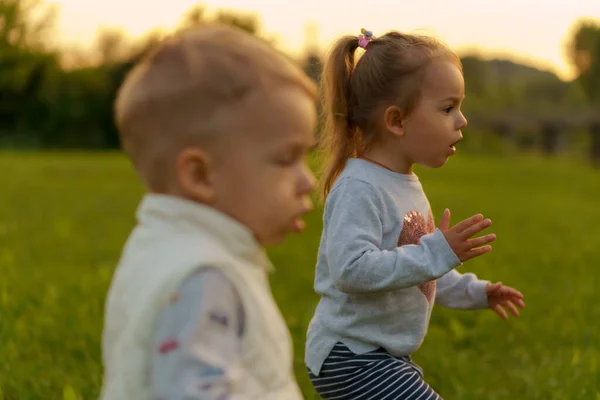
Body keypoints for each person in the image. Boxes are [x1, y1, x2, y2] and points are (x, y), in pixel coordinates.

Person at [100, 24, 318, 400]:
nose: (308, 181)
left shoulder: (157, 246)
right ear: (200, 175)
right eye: (287, 159)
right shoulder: (204, 277)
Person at [305, 28, 526, 399]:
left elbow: (417, 271)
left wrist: (475, 291)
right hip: (351, 355)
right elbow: (350, 269)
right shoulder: (360, 186)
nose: (462, 120)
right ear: (397, 120)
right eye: (447, 108)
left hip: (380, 356)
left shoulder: (404, 183)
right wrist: (438, 251)